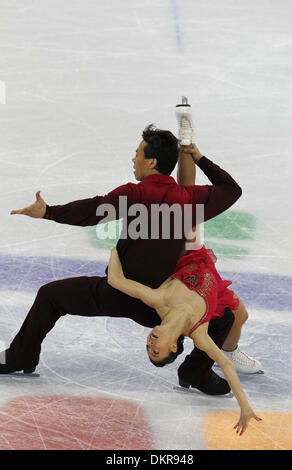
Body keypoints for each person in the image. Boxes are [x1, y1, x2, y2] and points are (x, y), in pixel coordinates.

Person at [1, 125, 241, 396]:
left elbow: (93, 210)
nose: (133, 159)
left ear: (151, 162)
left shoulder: (135, 194)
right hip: (160, 305)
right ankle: (194, 371)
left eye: (137, 154)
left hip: (119, 293)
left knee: (50, 296)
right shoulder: (189, 200)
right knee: (225, 318)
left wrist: (48, 212)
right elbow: (231, 189)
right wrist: (199, 157)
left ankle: (21, 357)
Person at [106, 245, 262, 436]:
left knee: (241, 317)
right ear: (173, 346)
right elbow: (227, 366)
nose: (150, 344)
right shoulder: (200, 335)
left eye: (147, 347)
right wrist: (245, 407)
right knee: (241, 316)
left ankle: (229, 348)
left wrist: (119, 245)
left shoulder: (158, 299)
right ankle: (228, 350)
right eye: (155, 351)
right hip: (213, 285)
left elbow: (115, 280)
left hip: (189, 254)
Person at [177, 145, 262, 374]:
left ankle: (226, 351)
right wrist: (194, 153)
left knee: (239, 315)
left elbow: (186, 185)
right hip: (188, 273)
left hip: (196, 263)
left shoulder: (183, 207)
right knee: (235, 316)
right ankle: (220, 354)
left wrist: (189, 147)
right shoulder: (178, 212)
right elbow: (187, 184)